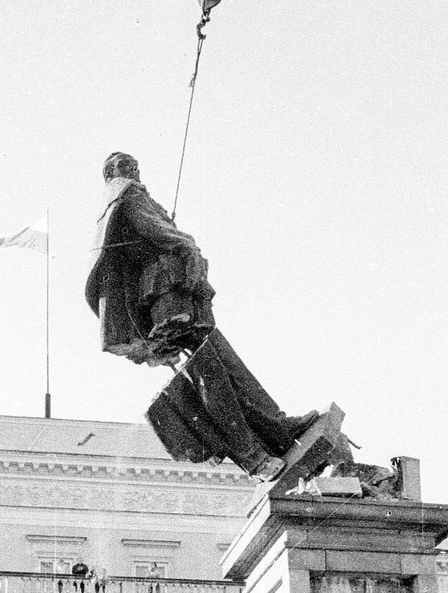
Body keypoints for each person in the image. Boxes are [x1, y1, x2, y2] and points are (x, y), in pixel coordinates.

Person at [86, 152, 318, 482]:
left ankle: (278, 426)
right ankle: (251, 455)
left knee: (228, 365)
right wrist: (184, 242)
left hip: (180, 295)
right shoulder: (125, 194)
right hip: (166, 298)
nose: (133, 169)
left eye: (136, 164)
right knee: (210, 374)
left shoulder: (134, 197)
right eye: (125, 164)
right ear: (111, 173)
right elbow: (151, 230)